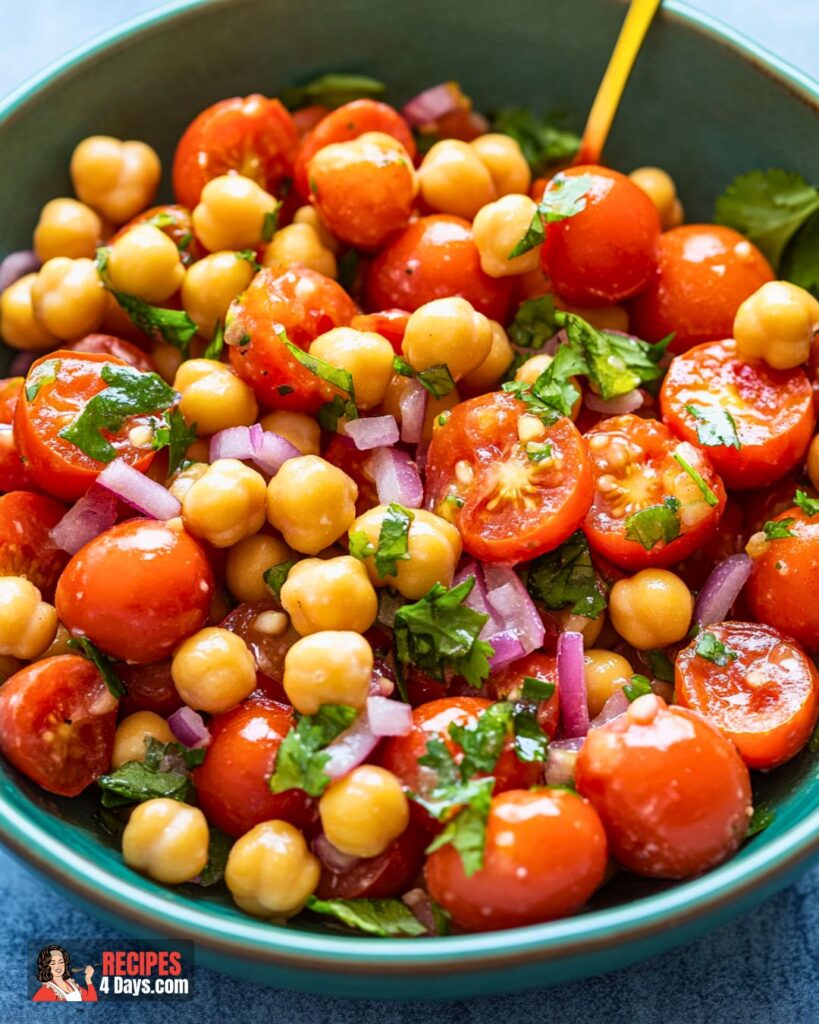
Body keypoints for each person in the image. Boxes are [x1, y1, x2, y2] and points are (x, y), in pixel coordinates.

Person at [32, 945, 97, 1002]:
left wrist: (88, 979)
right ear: (46, 966)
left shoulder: (71, 983)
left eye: (61, 962)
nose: (58, 966)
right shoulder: (46, 991)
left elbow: (92, 1001)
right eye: (53, 963)